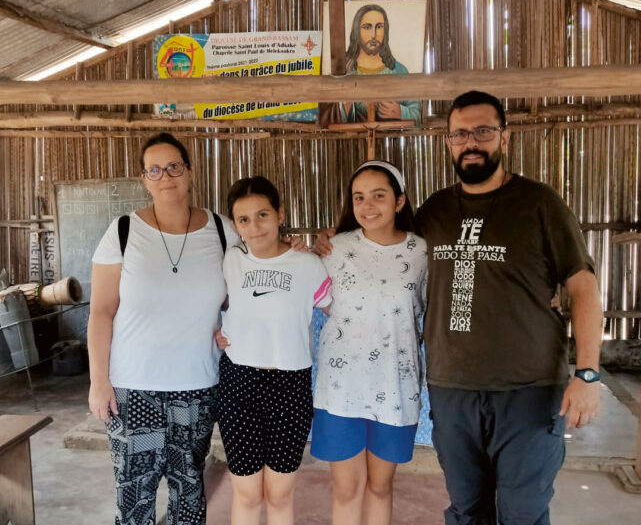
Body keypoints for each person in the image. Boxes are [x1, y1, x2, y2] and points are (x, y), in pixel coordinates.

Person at [315, 91, 603, 524]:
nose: (471, 142)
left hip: (527, 390)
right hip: (452, 391)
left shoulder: (539, 204)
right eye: (460, 134)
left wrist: (588, 373)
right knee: (467, 509)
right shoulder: (435, 212)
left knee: (522, 512)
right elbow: (383, 248)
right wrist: (329, 242)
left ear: (504, 138)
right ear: (448, 142)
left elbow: (583, 286)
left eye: (483, 131)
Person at [87, 132, 239, 525]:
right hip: (132, 387)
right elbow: (101, 312)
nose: (165, 176)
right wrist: (98, 381)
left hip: (198, 386)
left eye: (173, 166)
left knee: (189, 497)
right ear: (144, 179)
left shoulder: (222, 231)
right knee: (134, 501)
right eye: (154, 169)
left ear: (189, 172)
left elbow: (247, 291)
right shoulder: (123, 232)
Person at [310, 160, 428, 525]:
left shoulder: (422, 253)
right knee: (346, 491)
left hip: (395, 388)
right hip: (341, 388)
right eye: (359, 197)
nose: (368, 205)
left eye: (379, 195)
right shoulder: (332, 249)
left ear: (399, 201)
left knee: (380, 487)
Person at [215, 176, 332, 525]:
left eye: (263, 215)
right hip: (238, 385)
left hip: (289, 386)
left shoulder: (308, 265)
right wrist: (215, 331)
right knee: (248, 493)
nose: (255, 226)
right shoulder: (230, 260)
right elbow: (206, 300)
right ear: (235, 225)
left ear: (280, 214)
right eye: (244, 219)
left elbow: (336, 309)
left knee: (280, 494)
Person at [320, 4, 421, 126]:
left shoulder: (399, 70)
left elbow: (418, 115)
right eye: (367, 27)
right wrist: (347, 100)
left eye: (379, 27)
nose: (373, 34)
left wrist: (401, 113)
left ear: (385, 30)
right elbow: (325, 116)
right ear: (357, 31)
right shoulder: (344, 70)